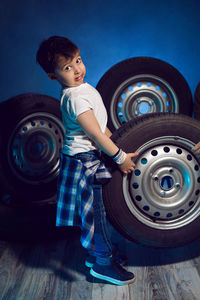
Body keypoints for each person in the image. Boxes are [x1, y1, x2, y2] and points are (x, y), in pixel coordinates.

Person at [36, 36, 139, 285]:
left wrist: (119, 145)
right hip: (85, 162)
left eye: (78, 61)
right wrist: (119, 156)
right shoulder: (76, 98)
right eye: (67, 67)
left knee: (95, 213)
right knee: (96, 215)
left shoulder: (82, 89)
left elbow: (100, 128)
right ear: (53, 76)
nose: (78, 69)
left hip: (87, 157)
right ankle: (103, 264)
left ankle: (97, 256)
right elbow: (93, 133)